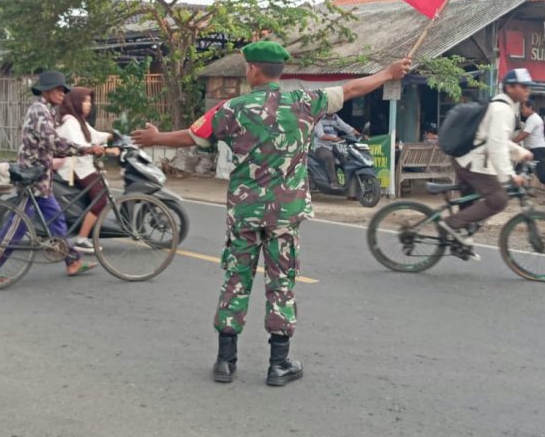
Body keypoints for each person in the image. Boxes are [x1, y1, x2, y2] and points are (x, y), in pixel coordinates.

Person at [131, 41, 411, 387]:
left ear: (253, 70)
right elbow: (353, 88)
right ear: (279, 70)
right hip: (284, 215)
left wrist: (155, 136)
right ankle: (279, 365)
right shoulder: (306, 102)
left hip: (245, 213)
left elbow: (190, 137)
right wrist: (389, 72)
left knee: (235, 280)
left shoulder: (230, 109)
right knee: (281, 283)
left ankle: (225, 362)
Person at [0, 71, 104, 283]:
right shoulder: (39, 111)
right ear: (46, 90)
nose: (62, 93)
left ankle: (73, 261)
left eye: (64, 90)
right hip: (32, 178)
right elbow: (52, 142)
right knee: (16, 226)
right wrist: (85, 150)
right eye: (58, 89)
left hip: (41, 179)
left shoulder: (47, 110)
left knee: (57, 221)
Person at [440, 69, 535, 250]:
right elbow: (496, 146)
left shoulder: (502, 107)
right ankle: (451, 223)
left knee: (470, 202)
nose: (527, 90)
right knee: (499, 199)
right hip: (471, 163)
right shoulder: (503, 110)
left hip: (468, 160)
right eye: (523, 86)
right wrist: (510, 175)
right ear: (509, 87)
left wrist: (521, 154)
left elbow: (495, 140)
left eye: (528, 86)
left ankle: (460, 240)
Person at [54, 87, 119, 254]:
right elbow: (79, 145)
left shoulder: (79, 121)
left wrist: (114, 136)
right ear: (75, 102)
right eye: (85, 101)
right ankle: (82, 239)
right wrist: (104, 150)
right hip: (74, 167)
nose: (89, 104)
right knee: (100, 199)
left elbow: (94, 135)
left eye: (90, 101)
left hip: (83, 165)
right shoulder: (70, 122)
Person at [312, 112, 358, 189]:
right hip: (320, 147)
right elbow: (321, 135)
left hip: (334, 146)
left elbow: (347, 128)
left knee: (345, 156)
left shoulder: (336, 118)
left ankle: (349, 181)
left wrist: (359, 134)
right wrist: (334, 139)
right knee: (330, 157)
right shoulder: (319, 119)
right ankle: (333, 182)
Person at [513, 99, 545, 187]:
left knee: (543, 175)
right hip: (531, 150)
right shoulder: (531, 119)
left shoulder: (533, 119)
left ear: (530, 108)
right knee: (521, 171)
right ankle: (526, 191)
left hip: (537, 149)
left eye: (523, 108)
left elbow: (524, 134)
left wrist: (511, 142)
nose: (522, 111)